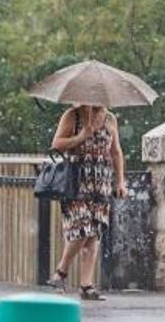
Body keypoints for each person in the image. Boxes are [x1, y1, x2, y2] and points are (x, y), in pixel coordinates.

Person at [45, 104, 127, 301]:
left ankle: (86, 285)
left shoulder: (110, 119)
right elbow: (56, 143)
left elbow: (116, 152)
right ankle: (61, 271)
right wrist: (81, 136)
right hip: (77, 180)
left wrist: (120, 180)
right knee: (82, 228)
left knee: (94, 233)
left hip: (101, 182)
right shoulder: (73, 115)